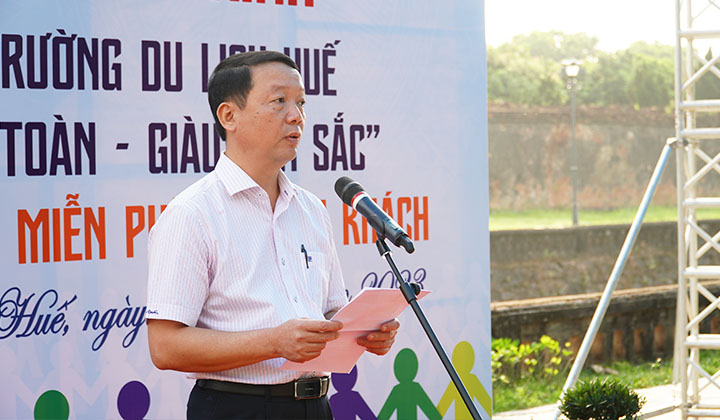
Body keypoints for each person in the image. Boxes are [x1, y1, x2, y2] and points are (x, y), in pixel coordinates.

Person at [145, 50, 400, 420]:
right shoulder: (192, 213)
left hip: (316, 406)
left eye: (301, 103)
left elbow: (330, 311)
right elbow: (165, 347)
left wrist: (363, 330)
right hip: (237, 408)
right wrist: (274, 342)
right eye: (279, 101)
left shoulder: (311, 209)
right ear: (229, 116)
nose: (296, 116)